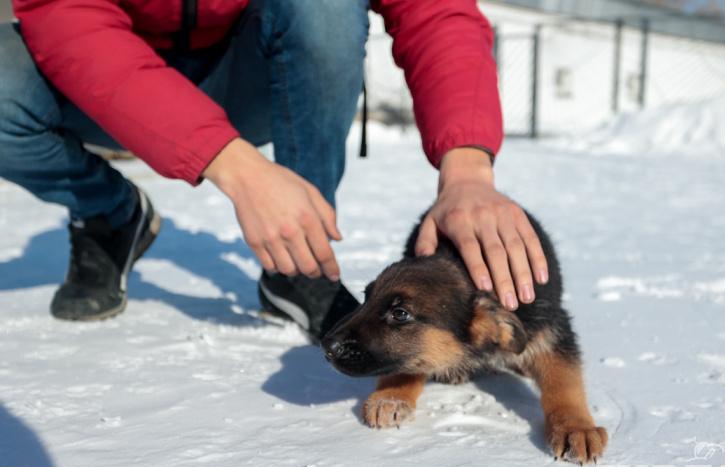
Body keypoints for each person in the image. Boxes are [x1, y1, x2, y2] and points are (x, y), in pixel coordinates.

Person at [0, 0, 549, 338]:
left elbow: (435, 12)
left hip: (249, 72)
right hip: (103, 81)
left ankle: (299, 259)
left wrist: (467, 170)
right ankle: (109, 215)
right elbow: (70, 21)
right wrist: (235, 165)